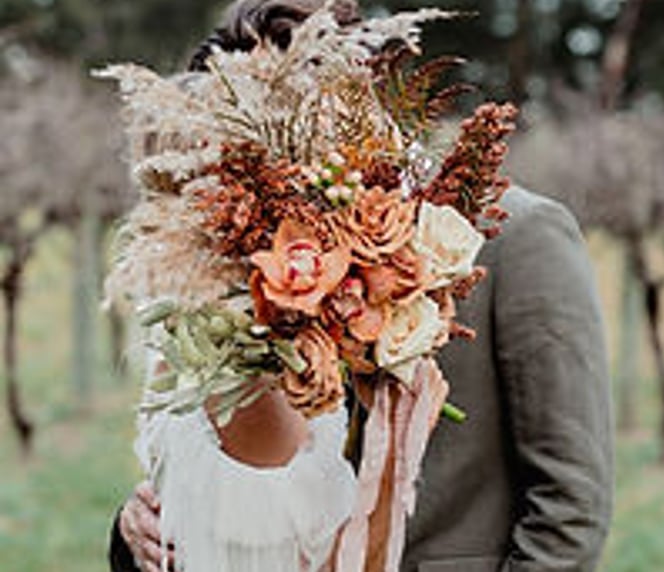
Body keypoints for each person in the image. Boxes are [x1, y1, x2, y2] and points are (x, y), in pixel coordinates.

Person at [108, 1, 614, 571]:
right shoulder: (256, 257)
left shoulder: (520, 236)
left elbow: (570, 511)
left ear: (356, 90)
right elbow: (236, 481)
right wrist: (136, 531)